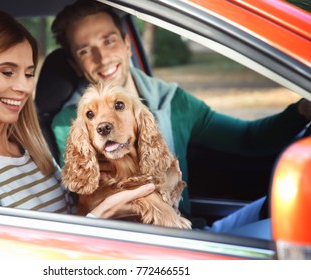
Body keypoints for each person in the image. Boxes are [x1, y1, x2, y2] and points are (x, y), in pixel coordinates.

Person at [50, 0, 311, 234]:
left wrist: (302, 110)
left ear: (127, 45)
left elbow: (249, 139)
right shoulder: (71, 123)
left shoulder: (173, 100)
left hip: (193, 228)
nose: (102, 57)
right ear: (75, 64)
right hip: (164, 240)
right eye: (85, 51)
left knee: (286, 209)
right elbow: (96, 193)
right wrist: (159, 207)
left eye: (109, 41)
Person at [0, 10, 156, 220]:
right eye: (7, 72)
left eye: (29, 74)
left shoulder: (32, 151)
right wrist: (99, 218)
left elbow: (71, 217)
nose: (24, 87)